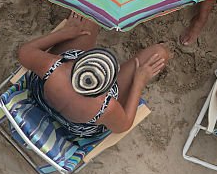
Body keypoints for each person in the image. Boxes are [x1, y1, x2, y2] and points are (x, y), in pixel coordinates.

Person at [17, 13, 169, 136]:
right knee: (160, 54)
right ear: (107, 90)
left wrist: (63, 34)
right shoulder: (106, 107)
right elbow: (123, 126)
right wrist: (138, 84)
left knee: (90, 12)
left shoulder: (54, 68)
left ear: (75, 63)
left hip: (40, 97)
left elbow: (23, 52)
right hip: (73, 129)